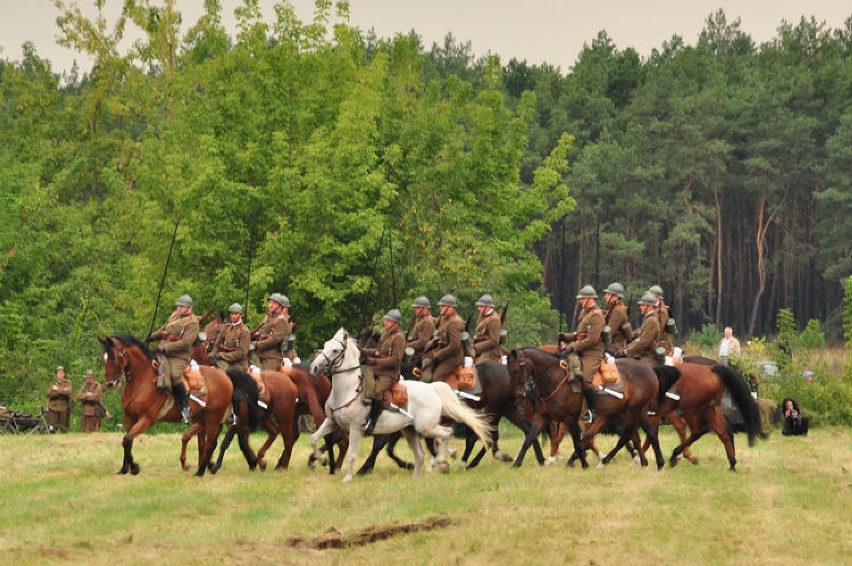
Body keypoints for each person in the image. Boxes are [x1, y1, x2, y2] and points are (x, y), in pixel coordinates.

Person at [148, 294, 199, 423]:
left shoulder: (193, 322)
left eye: (182, 306)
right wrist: (151, 337)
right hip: (163, 351)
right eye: (178, 306)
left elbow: (186, 342)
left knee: (175, 375)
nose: (179, 308)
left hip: (180, 355)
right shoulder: (174, 316)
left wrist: (167, 348)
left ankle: (185, 409)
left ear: (189, 308)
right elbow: (163, 330)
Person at [558, 285, 604, 410]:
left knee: (585, 380)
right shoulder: (585, 313)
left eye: (582, 299)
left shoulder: (597, 315)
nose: (580, 301)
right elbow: (579, 334)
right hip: (581, 351)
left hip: (592, 353)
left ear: (590, 299)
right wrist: (565, 337)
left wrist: (573, 346)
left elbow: (593, 340)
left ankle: (592, 409)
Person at [360, 309, 406, 434]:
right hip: (377, 369)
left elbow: (396, 360)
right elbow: (378, 351)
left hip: (389, 374)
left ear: (395, 323)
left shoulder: (399, 338)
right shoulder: (386, 334)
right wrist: (363, 351)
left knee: (377, 391)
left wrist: (376, 362)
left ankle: (373, 423)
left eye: (388, 321)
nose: (385, 322)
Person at [427, 294, 465, 383]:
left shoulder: (455, 323)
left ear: (451, 308)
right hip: (442, 353)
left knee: (436, 379)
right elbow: (435, 323)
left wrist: (438, 355)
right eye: (440, 306)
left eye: (443, 306)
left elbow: (454, 346)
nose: (440, 308)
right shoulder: (443, 317)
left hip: (452, 358)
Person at [618, 292, 662, 367]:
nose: (640, 307)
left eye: (643, 305)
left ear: (650, 307)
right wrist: (626, 348)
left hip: (648, 356)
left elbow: (643, 343)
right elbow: (639, 338)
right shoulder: (648, 319)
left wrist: (626, 352)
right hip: (643, 353)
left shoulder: (651, 320)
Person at [252, 293, 292, 371]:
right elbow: (261, 331)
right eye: (270, 302)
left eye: (274, 303)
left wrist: (257, 344)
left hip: (272, 357)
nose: (271, 305)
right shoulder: (269, 318)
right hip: (260, 354)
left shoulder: (281, 320)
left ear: (280, 306)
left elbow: (274, 340)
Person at [211, 303, 251, 372]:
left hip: (238, 364)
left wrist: (223, 355)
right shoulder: (226, 327)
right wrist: (212, 355)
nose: (233, 316)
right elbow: (217, 344)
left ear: (241, 315)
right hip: (224, 360)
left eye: (235, 314)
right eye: (231, 314)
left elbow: (242, 353)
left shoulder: (244, 331)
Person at [602, 282, 633, 351]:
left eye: (608, 294)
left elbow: (609, 334)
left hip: (613, 347)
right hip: (613, 345)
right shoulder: (618, 308)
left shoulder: (617, 311)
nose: (605, 296)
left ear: (615, 297)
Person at [473, 294, 502, 363]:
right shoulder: (481, 315)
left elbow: (494, 341)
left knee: (479, 366)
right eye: (479, 306)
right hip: (480, 345)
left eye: (481, 306)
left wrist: (477, 346)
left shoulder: (494, 319)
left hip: (490, 350)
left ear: (488, 307)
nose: (478, 308)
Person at [648, 284, 673, 353]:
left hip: (661, 347)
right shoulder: (654, 308)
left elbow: (659, 329)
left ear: (657, 298)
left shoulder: (662, 311)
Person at [46, 366, 72, 431]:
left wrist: (57, 389)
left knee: (64, 427)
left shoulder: (67, 383)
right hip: (53, 407)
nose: (59, 375)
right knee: (51, 428)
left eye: (61, 373)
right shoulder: (53, 383)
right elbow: (49, 393)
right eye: (58, 373)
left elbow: (68, 392)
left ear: (64, 374)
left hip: (63, 407)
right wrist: (62, 391)